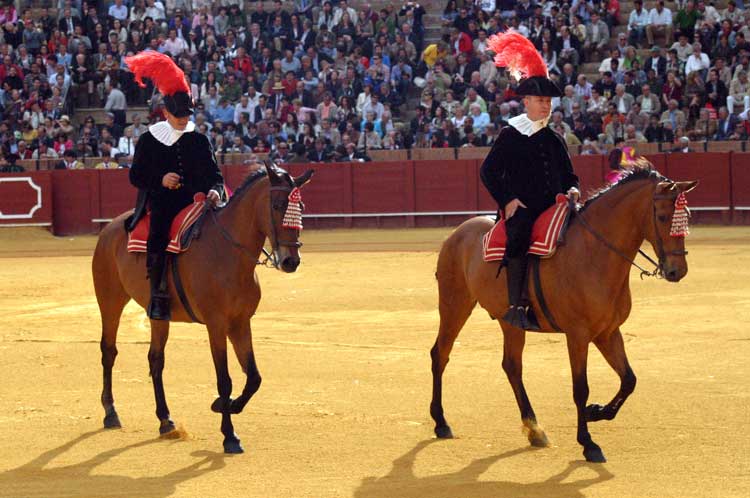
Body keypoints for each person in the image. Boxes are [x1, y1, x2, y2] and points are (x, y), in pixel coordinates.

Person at [480, 32, 580, 331]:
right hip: (523, 207)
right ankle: (516, 305)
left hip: (556, 206)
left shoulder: (554, 137)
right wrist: (508, 200)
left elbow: (569, 175)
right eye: (539, 100)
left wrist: (573, 188)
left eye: (548, 100)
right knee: (519, 235)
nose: (546, 106)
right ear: (526, 102)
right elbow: (488, 171)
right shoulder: (512, 134)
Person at [125, 51, 225, 321]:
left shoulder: (200, 140)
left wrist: (216, 190)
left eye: (186, 114)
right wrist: (160, 180)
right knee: (158, 233)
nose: (183, 119)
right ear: (166, 111)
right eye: (178, 114)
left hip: (199, 201)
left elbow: (216, 175)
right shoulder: (149, 140)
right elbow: (135, 177)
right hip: (165, 201)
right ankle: (158, 294)